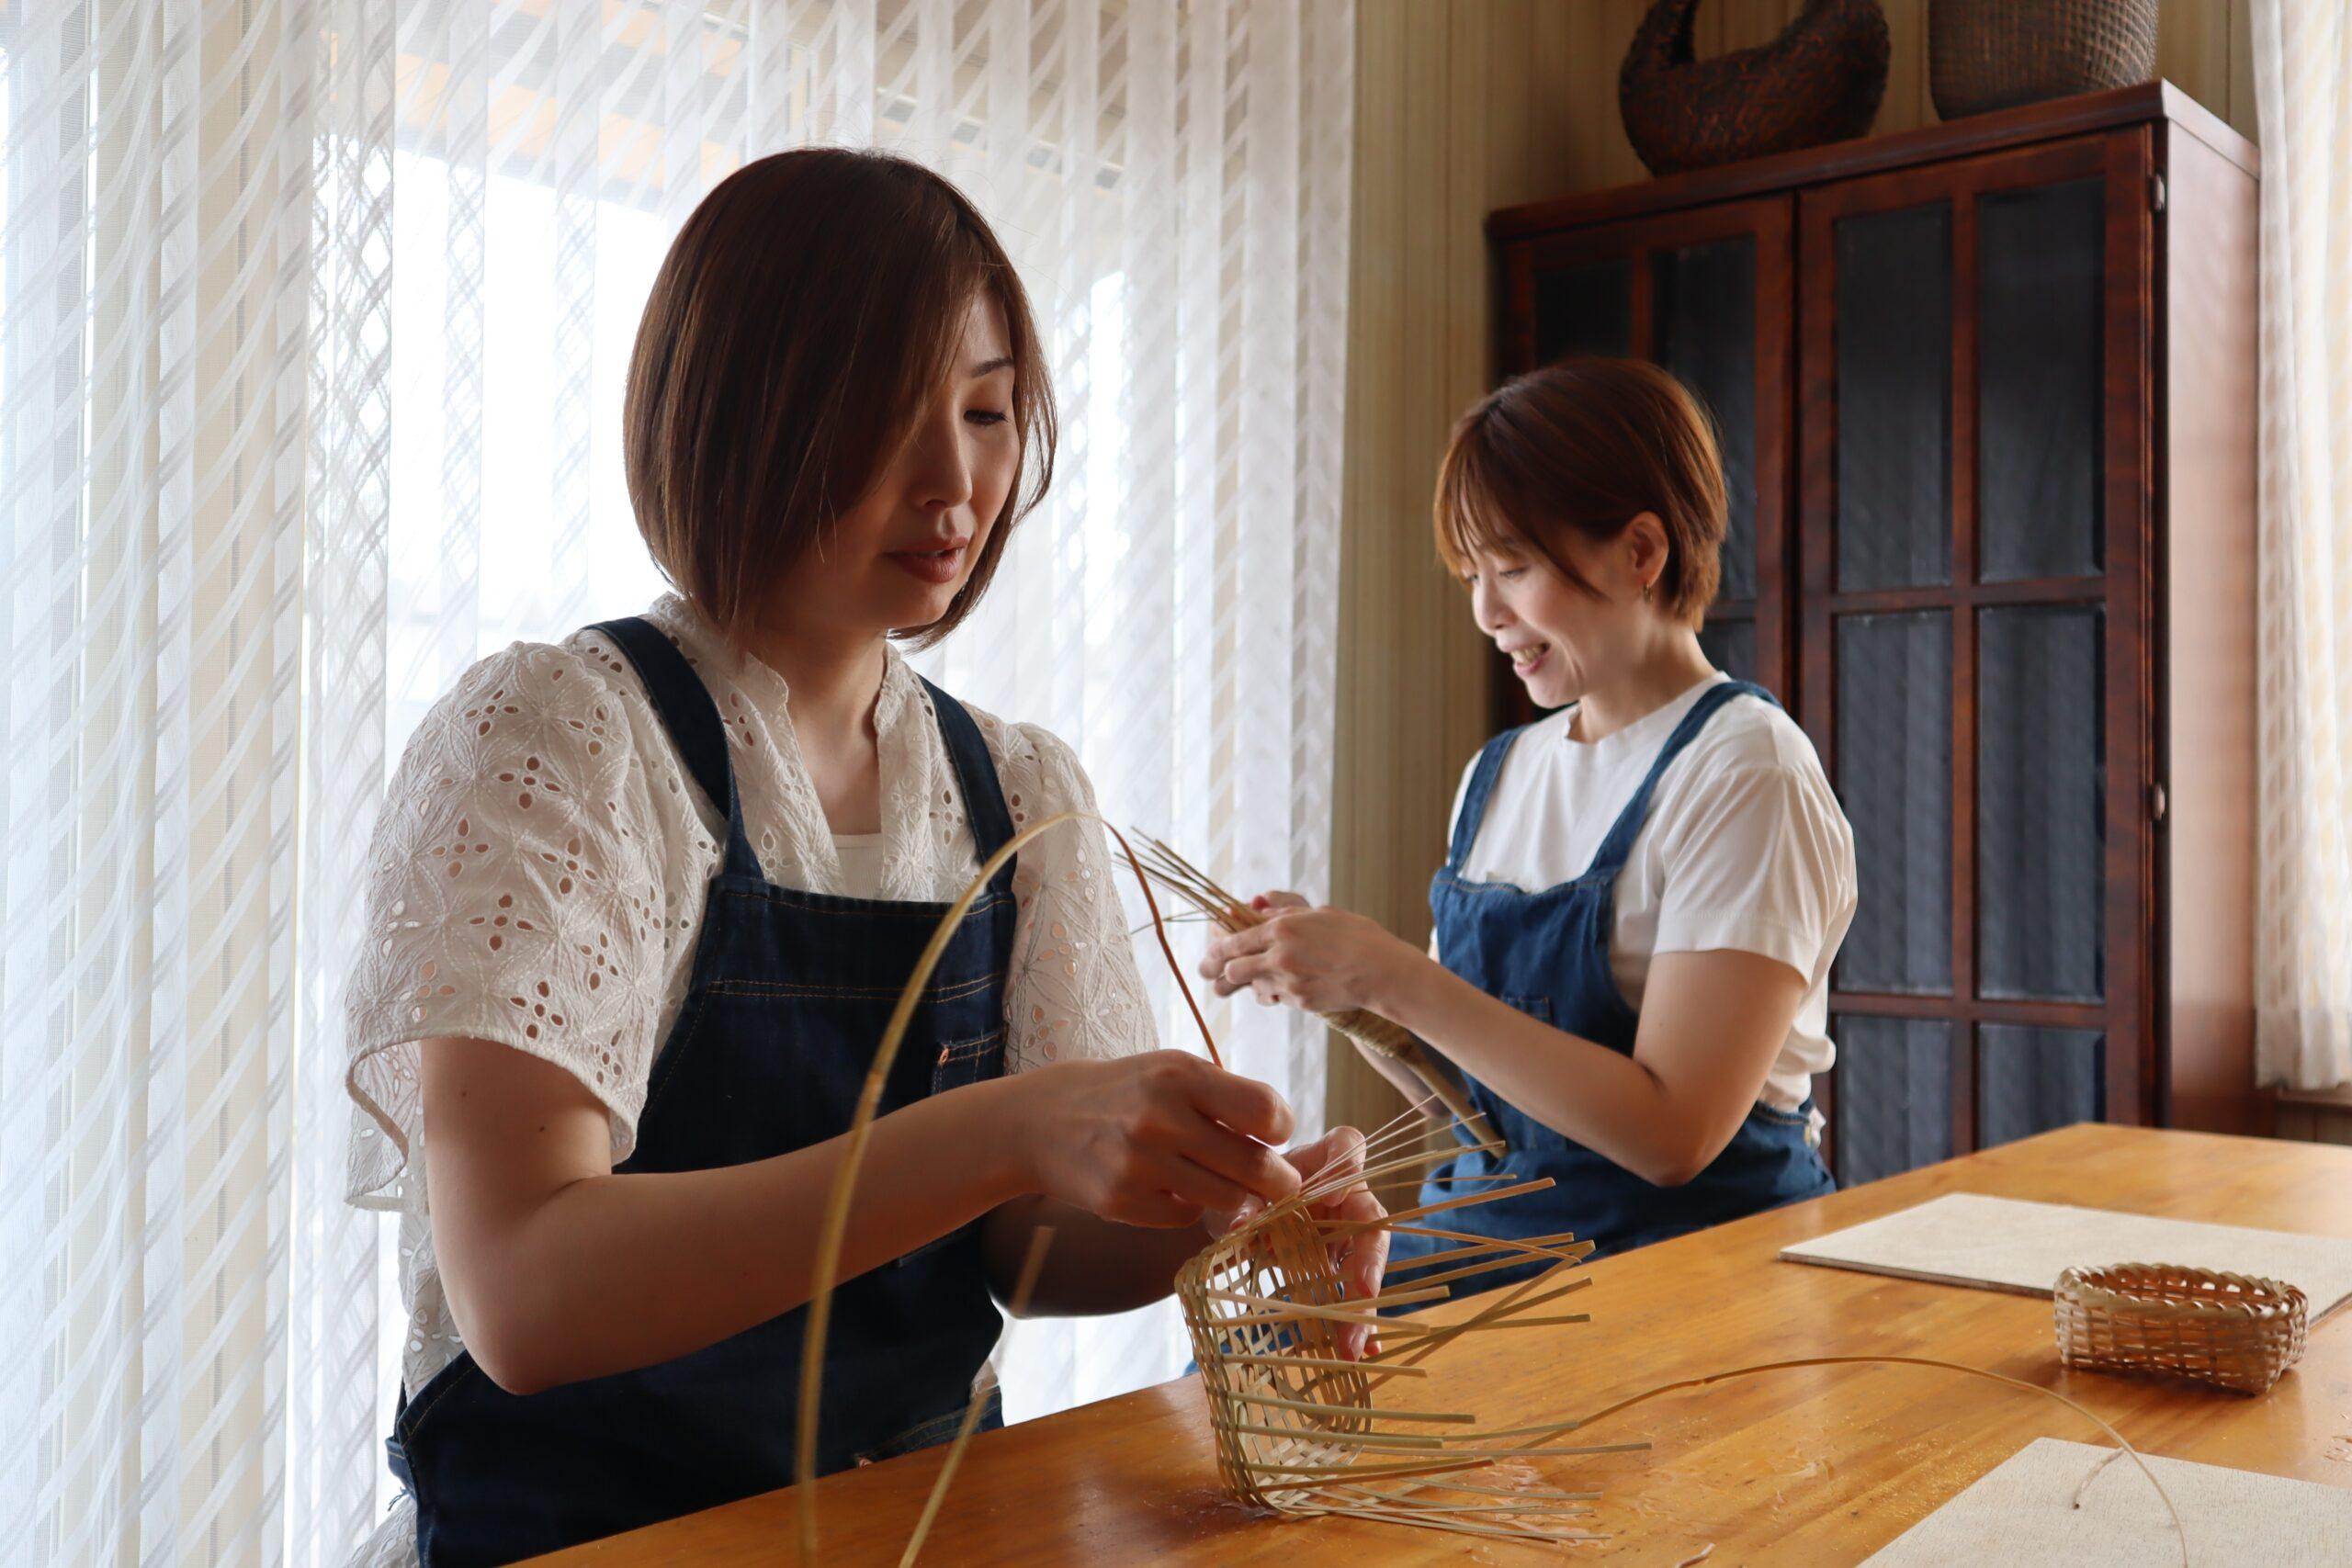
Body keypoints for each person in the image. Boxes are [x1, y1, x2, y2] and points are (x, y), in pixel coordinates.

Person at [342, 149, 1380, 1568]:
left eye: (988, 408)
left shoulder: (1012, 785)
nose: (958, 479)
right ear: (737, 411)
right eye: (890, 411)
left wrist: (1222, 1219)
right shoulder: (565, 737)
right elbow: (525, 1293)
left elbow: (1022, 1248)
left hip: (923, 1525)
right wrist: (1006, 1128)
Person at [1202, 358, 1850, 1292]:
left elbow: (1674, 1138)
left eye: (1511, 568)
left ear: (1640, 552)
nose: (1485, 612)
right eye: (1471, 574)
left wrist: (1395, 974)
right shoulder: (1499, 772)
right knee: (1252, 1349)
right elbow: (1478, 1111)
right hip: (1500, 1242)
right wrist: (1347, 989)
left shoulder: (1745, 769)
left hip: (1685, 1270)